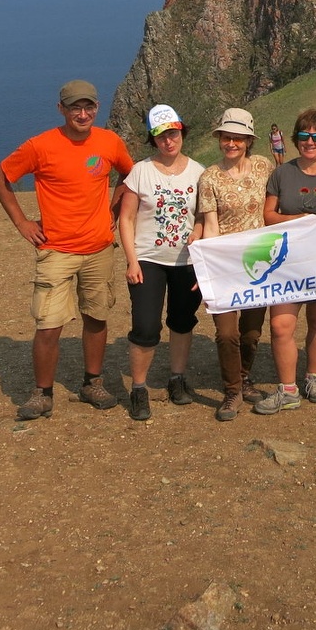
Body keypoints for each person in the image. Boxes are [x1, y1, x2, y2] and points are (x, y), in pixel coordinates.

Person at [0, 80, 135, 421]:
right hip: (56, 250)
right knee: (49, 324)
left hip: (99, 248)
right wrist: (22, 223)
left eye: (88, 108)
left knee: (96, 317)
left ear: (97, 108)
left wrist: (115, 208)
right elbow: (0, 176)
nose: (82, 114)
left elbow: (130, 175)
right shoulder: (40, 146)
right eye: (75, 108)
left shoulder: (109, 141)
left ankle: (92, 383)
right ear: (62, 110)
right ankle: (42, 392)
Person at [256, 108, 316, 412]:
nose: (309, 141)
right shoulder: (282, 173)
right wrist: (300, 217)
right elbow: (268, 215)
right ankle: (288, 389)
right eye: (303, 135)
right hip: (286, 264)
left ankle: (314, 377)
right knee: (281, 326)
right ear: (295, 138)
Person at [117, 104, 205, 421]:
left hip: (186, 261)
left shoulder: (199, 172)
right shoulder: (140, 172)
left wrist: (197, 232)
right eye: (161, 136)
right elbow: (126, 219)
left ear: (181, 132)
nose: (169, 141)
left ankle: (176, 379)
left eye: (173, 133)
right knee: (145, 326)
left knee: (182, 320)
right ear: (153, 140)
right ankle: (139, 387)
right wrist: (131, 260)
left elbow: (205, 217)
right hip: (148, 259)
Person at [197, 108, 274, 421]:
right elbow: (211, 225)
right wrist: (209, 270)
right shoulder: (209, 178)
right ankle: (232, 391)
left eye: (238, 138)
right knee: (226, 332)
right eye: (226, 137)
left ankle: (243, 376)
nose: (231, 143)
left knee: (252, 332)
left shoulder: (264, 167)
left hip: (258, 263)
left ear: (248, 141)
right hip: (226, 264)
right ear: (219, 139)